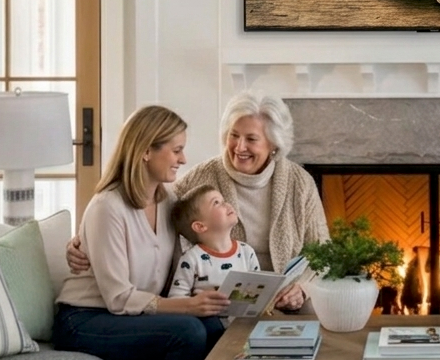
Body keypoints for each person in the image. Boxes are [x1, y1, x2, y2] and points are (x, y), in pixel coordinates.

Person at [68, 92, 329, 311]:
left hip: (283, 295)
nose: (239, 147)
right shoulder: (200, 179)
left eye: (251, 139)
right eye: (233, 135)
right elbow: (137, 211)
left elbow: (324, 251)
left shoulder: (299, 183)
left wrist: (302, 288)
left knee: (317, 308)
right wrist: (79, 243)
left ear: (273, 144)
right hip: (220, 300)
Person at [53, 105, 230, 360]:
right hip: (85, 317)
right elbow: (118, 299)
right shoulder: (107, 207)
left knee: (212, 325)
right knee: (188, 331)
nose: (183, 159)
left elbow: (194, 250)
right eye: (177, 150)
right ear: (146, 151)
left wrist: (199, 296)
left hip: (129, 315)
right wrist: (186, 306)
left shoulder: (167, 201)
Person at [168, 184, 260, 298]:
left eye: (223, 201)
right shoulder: (191, 259)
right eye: (216, 202)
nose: (227, 204)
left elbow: (259, 292)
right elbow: (175, 297)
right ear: (200, 226)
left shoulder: (247, 252)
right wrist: (196, 304)